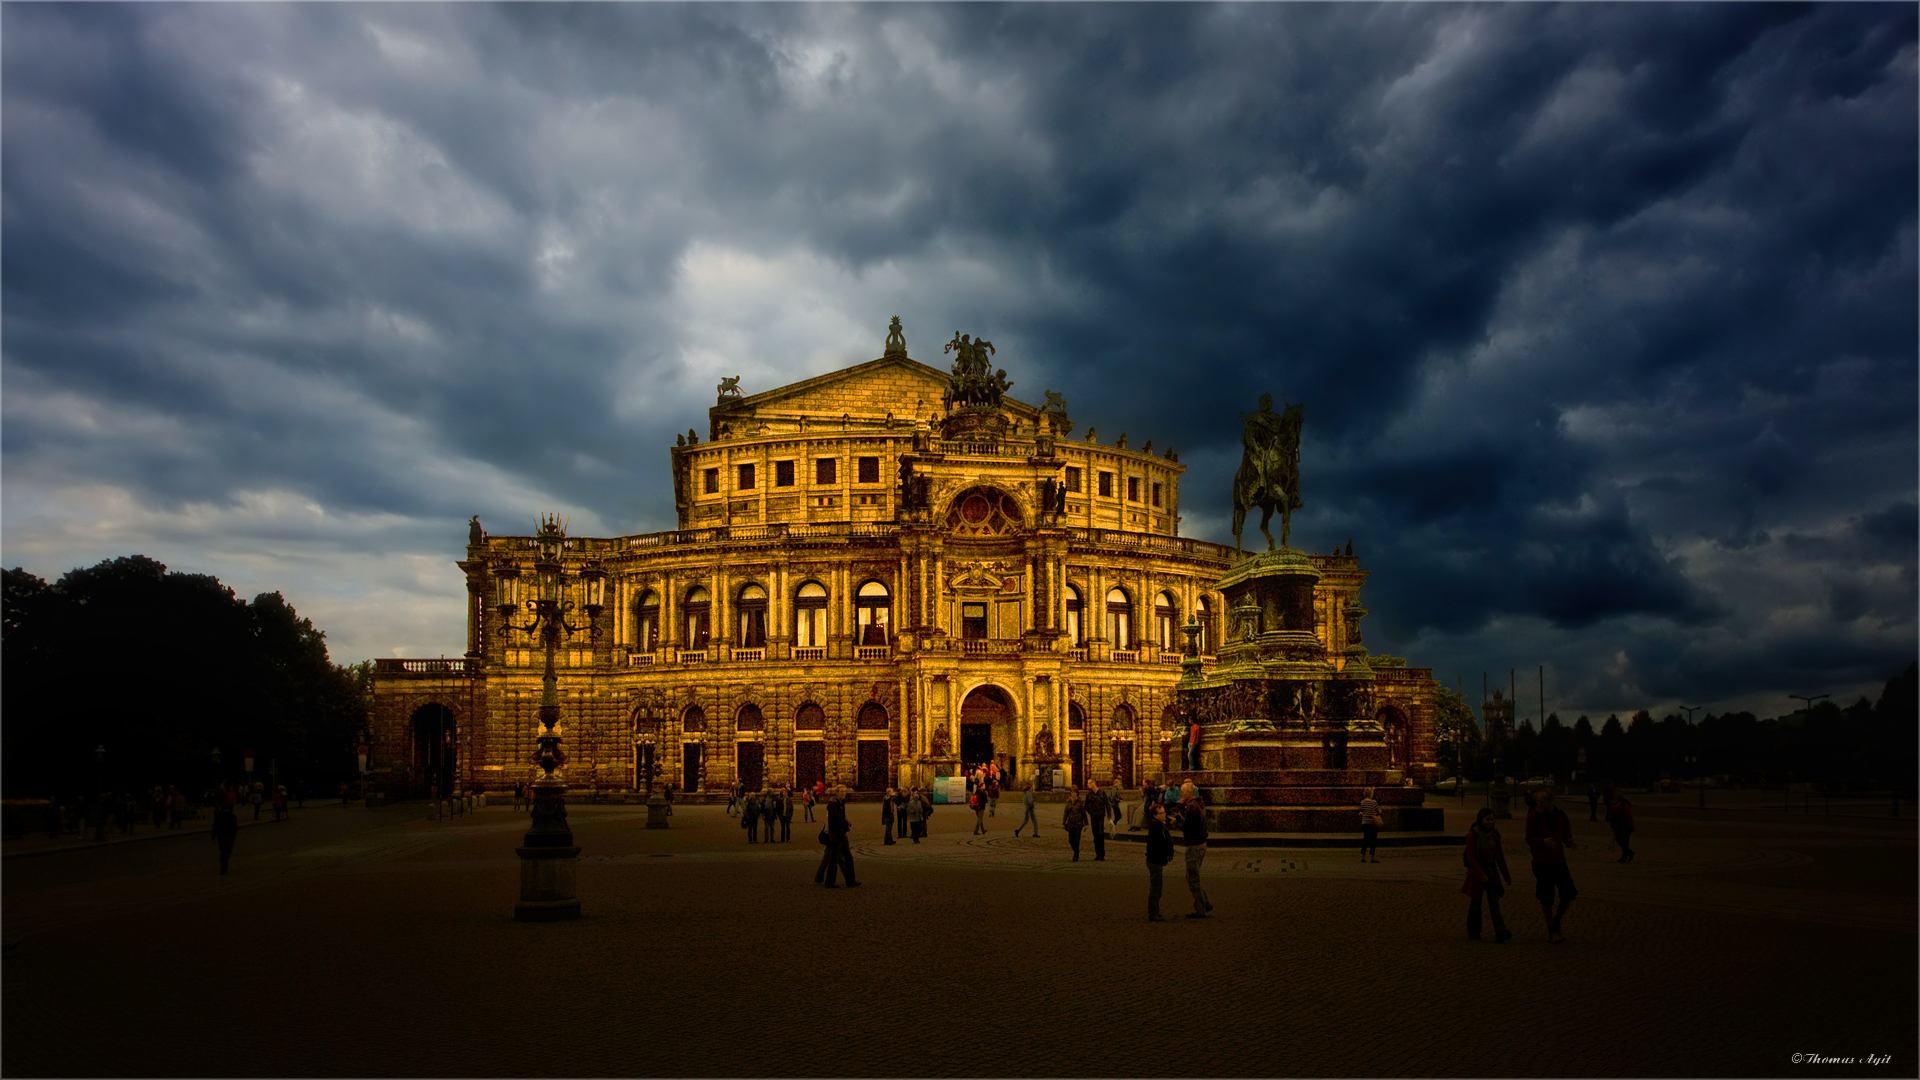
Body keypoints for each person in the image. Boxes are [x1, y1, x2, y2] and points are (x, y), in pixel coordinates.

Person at [1525, 788, 1578, 943]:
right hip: (1542, 863)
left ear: (1551, 801)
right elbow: (1529, 838)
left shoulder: (1561, 816)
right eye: (1537, 801)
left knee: (1568, 894)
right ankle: (1551, 928)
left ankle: (1557, 920)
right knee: (1546, 898)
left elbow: (1565, 834)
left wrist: (1569, 842)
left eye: (1542, 801)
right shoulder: (1533, 816)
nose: (1539, 804)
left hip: (1559, 861)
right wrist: (1543, 842)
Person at [1180, 781, 1212, 918]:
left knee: (1193, 877)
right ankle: (1205, 902)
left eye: (1182, 792)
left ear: (1188, 793)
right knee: (1193, 876)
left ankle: (1200, 909)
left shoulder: (1192, 808)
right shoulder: (1198, 805)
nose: (1180, 794)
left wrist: (1179, 821)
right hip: (1200, 843)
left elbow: (1187, 826)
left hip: (1194, 845)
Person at [819, 785, 858, 887]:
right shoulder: (834, 805)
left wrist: (845, 823)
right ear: (837, 793)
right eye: (841, 792)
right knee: (834, 860)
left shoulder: (841, 803)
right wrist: (845, 823)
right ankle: (830, 882)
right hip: (836, 836)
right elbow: (834, 821)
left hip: (841, 834)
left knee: (848, 858)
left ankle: (850, 880)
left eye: (844, 791)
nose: (843, 793)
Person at [1144, 801, 1173, 921]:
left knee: (1158, 887)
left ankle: (1155, 910)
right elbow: (1159, 844)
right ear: (1155, 815)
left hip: (1157, 860)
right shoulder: (1156, 827)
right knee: (1155, 888)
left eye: (1165, 812)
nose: (1164, 814)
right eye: (1162, 813)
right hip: (1155, 860)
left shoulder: (1159, 826)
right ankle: (1152, 912)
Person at [1606, 791, 1636, 863]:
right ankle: (1625, 855)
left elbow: (1624, 813)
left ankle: (1628, 854)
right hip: (1620, 824)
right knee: (1623, 841)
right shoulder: (1618, 803)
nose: (1614, 797)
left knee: (1621, 840)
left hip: (1624, 825)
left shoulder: (1623, 803)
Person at [212, 802, 239, 874]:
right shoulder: (233, 816)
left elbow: (215, 827)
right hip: (229, 836)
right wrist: (233, 836)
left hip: (221, 836)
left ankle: (223, 864)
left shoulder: (219, 816)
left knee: (222, 851)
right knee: (228, 851)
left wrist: (213, 836)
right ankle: (224, 864)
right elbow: (235, 828)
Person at [1085, 781, 1108, 861]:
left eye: (1089, 783)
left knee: (1100, 834)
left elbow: (1107, 803)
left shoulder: (1102, 792)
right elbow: (1086, 805)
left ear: (1093, 783)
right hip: (1093, 816)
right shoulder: (1089, 794)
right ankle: (1098, 854)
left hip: (1101, 816)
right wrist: (1091, 812)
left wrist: (1109, 816)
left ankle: (1102, 854)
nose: (1088, 785)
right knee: (1095, 835)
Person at [1358, 787, 1382, 863]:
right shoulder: (1373, 802)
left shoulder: (1362, 802)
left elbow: (1361, 811)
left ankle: (1363, 856)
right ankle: (1372, 857)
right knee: (1373, 840)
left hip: (1365, 823)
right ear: (1371, 794)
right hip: (1372, 823)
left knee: (1365, 839)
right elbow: (1378, 811)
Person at [1062, 788, 1087, 861]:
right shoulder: (1068, 802)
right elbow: (1066, 812)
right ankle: (1076, 850)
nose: (1073, 794)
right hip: (1070, 823)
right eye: (1072, 792)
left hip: (1078, 823)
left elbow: (1083, 813)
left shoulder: (1080, 802)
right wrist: (1063, 823)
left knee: (1076, 839)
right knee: (1070, 840)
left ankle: (1076, 855)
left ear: (1077, 793)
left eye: (1074, 792)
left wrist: (1086, 824)